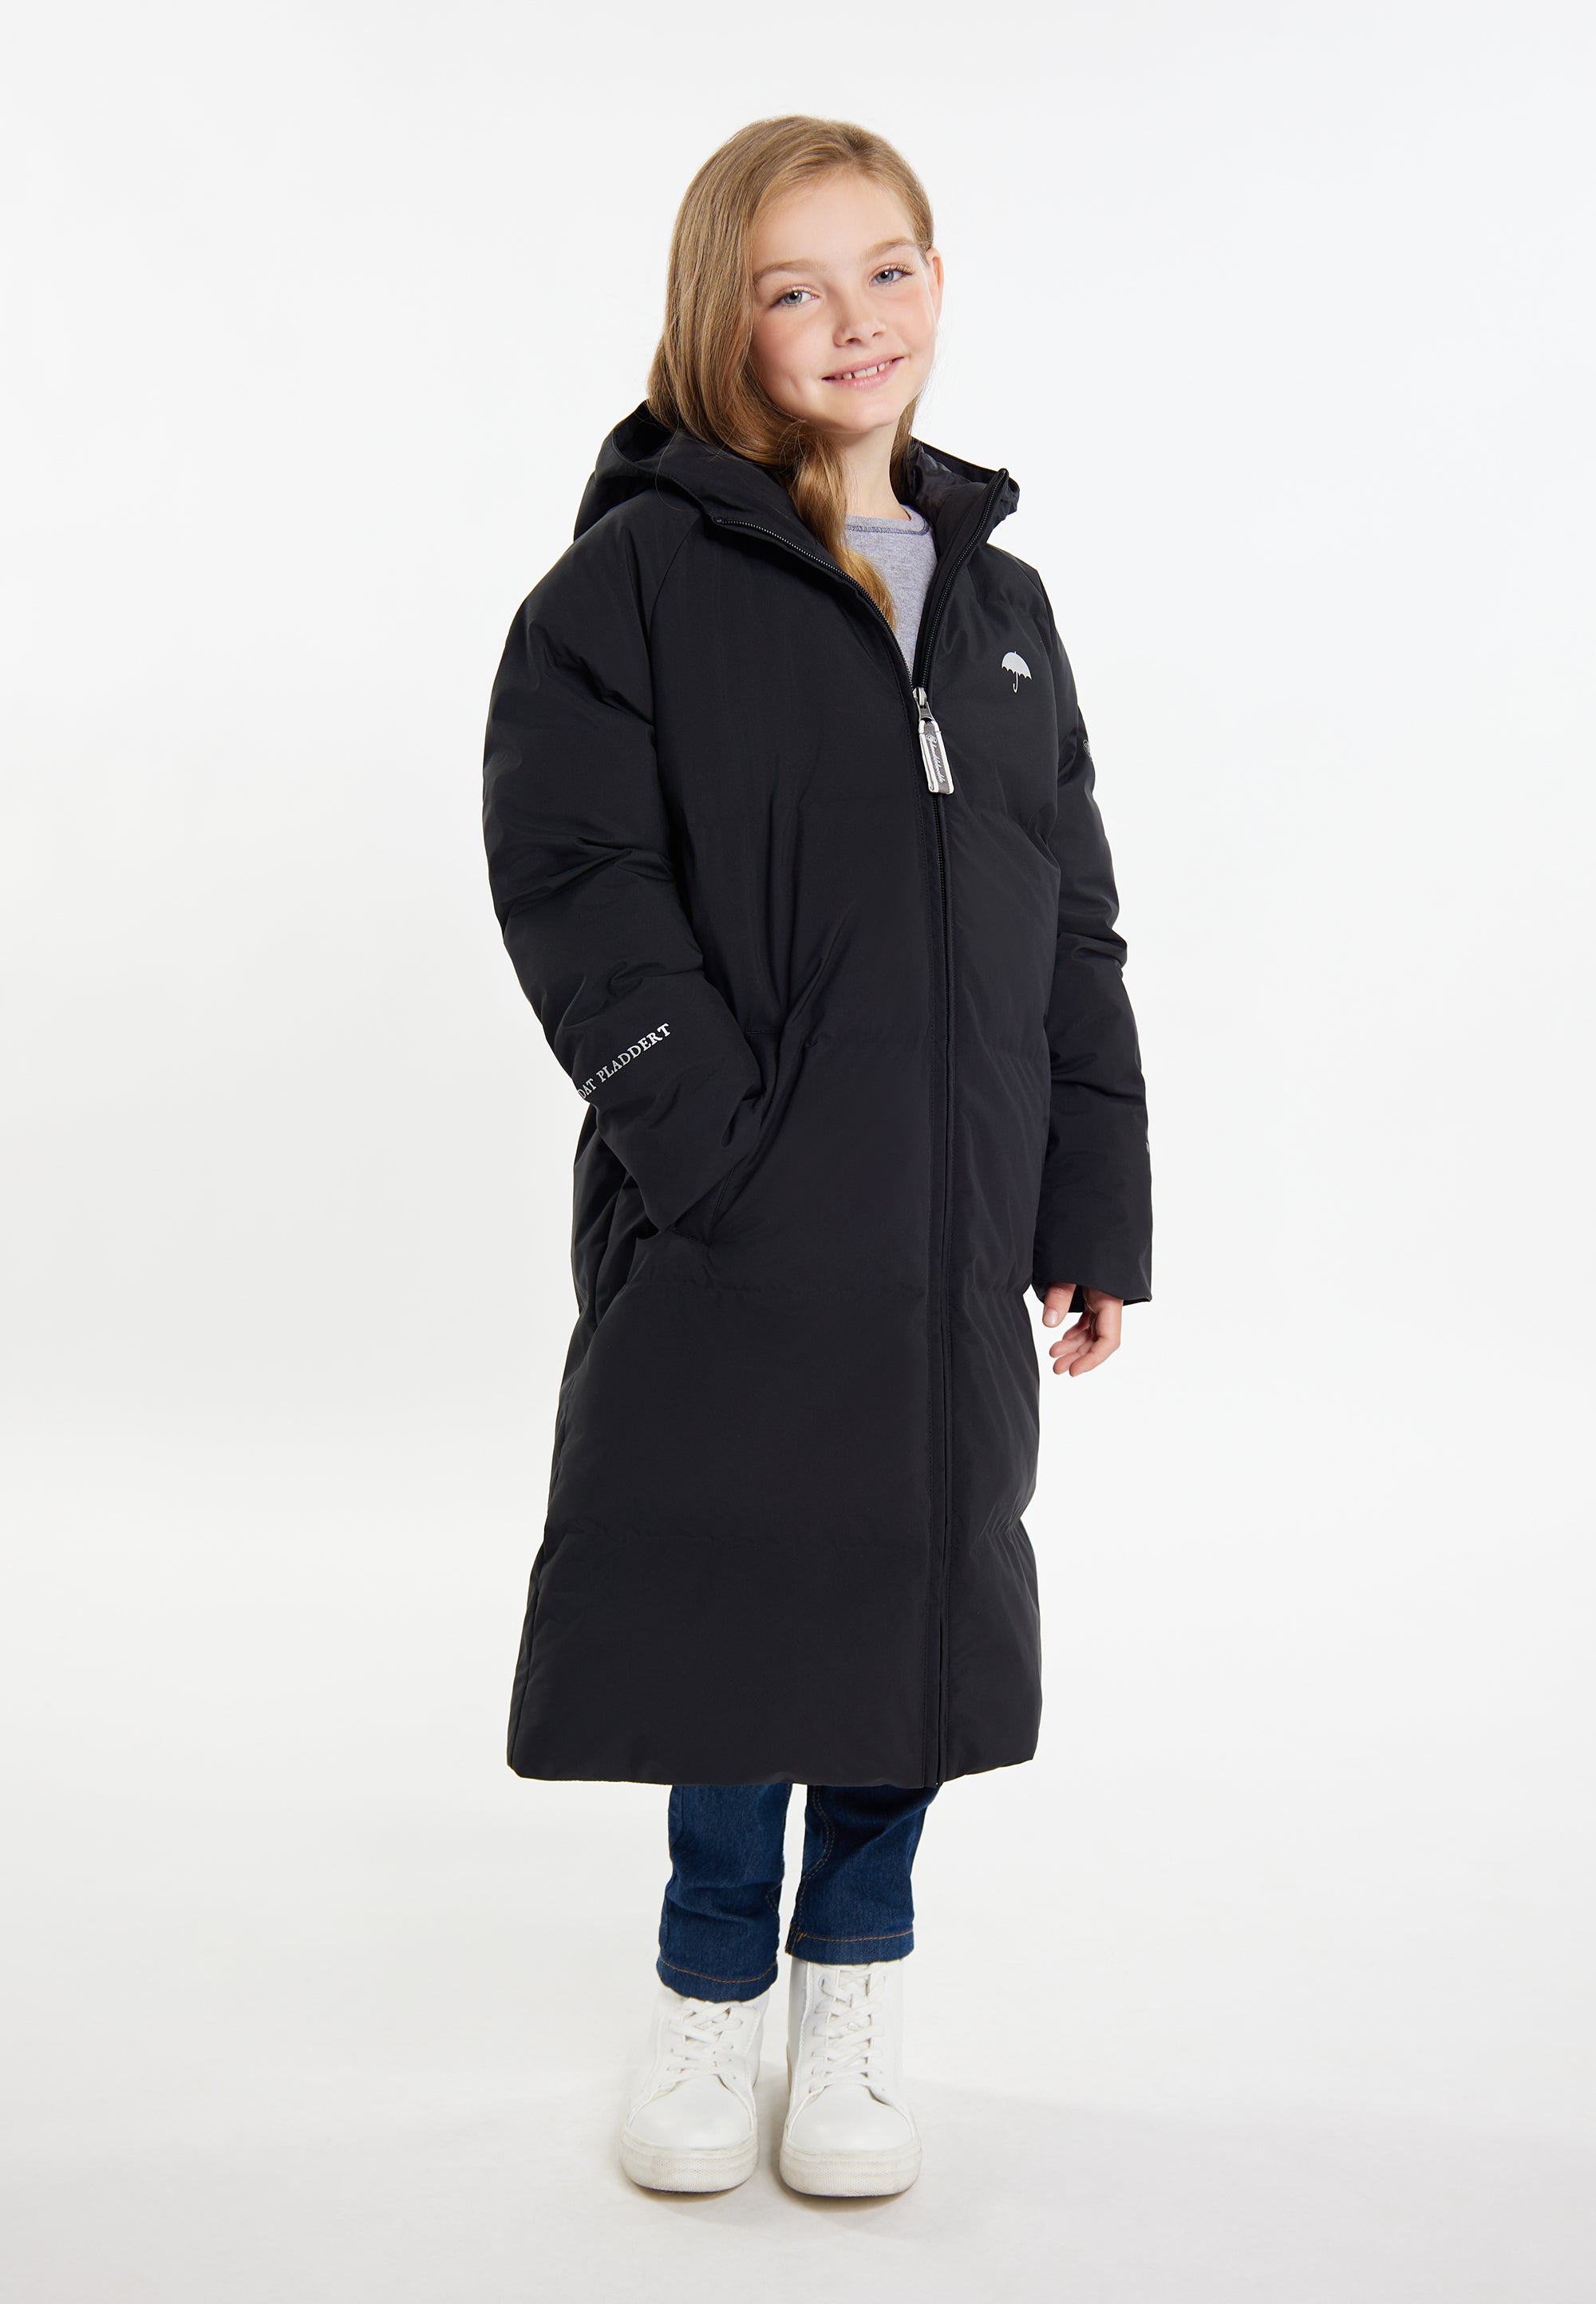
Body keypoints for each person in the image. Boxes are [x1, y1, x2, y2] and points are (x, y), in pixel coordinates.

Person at [480, 115, 1153, 2199]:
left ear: (938, 285)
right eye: (797, 286)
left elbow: (1075, 925)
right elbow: (574, 878)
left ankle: (853, 1983)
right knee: (732, 1588)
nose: (857, 319)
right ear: (726, 320)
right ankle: (709, 1988)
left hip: (951, 1227)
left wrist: (1087, 1201)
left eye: (890, 269)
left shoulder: (1006, 607)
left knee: (914, 1603)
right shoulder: (629, 592)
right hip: (740, 1219)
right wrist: (715, 1140)